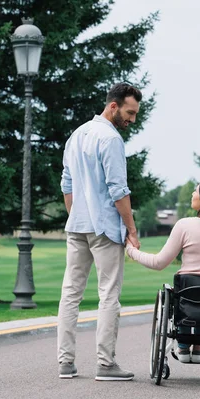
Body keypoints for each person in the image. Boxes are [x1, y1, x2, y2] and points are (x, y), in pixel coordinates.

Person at [57, 83, 142, 381]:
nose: (132, 120)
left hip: (77, 225)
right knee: (108, 295)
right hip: (105, 228)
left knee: (70, 294)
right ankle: (106, 365)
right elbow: (119, 190)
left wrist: (76, 213)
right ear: (114, 106)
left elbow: (66, 184)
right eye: (130, 113)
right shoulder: (111, 139)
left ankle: (65, 363)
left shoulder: (77, 134)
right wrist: (131, 229)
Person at [126, 177, 200, 363]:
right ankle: (199, 348)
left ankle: (183, 346)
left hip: (187, 295)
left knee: (185, 294)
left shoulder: (185, 225)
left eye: (195, 191)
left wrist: (131, 251)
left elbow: (158, 263)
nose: (192, 193)